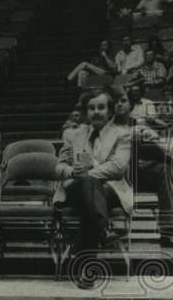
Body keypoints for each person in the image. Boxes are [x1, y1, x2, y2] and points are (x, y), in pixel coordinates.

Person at [53, 87, 133, 287]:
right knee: (88, 186)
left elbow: (118, 167)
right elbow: (58, 167)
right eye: (91, 108)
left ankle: (85, 265)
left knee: (91, 187)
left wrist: (90, 171)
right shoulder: (74, 135)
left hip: (111, 190)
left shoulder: (122, 135)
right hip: (75, 190)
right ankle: (103, 228)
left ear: (110, 110)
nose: (96, 112)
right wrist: (72, 172)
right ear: (86, 112)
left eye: (101, 107)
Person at [113, 90, 173, 247]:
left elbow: (155, 140)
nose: (119, 104)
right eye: (115, 101)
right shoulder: (104, 124)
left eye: (123, 100)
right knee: (135, 139)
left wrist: (147, 135)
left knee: (166, 169)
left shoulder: (137, 124)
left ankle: (167, 233)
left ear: (131, 105)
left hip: (135, 174)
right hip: (116, 178)